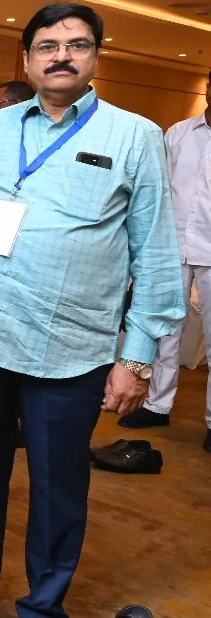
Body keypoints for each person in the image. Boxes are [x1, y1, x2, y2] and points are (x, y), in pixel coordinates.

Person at [0, 3, 184, 618]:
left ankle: (43, 610)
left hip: (69, 346)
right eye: (46, 45)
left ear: (95, 54)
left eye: (75, 44)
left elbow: (153, 250)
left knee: (57, 484)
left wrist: (138, 356)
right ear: (27, 58)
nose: (60, 55)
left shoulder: (135, 135)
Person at [119, 70, 211, 451]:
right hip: (171, 244)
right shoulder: (178, 133)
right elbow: (156, 187)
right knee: (164, 330)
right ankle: (157, 405)